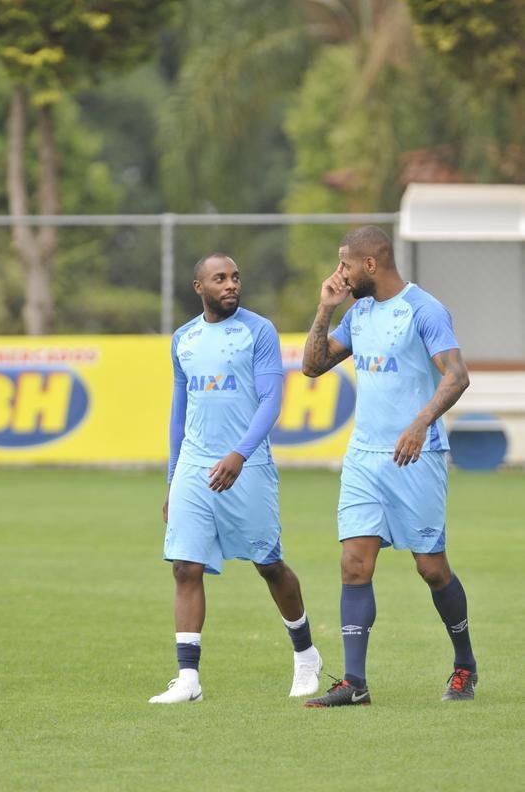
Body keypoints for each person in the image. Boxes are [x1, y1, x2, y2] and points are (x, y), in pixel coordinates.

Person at [302, 225, 477, 707]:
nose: (340, 272)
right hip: (364, 457)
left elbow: (457, 376)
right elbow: (312, 367)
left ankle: (464, 664)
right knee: (354, 563)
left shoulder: (424, 310)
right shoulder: (358, 314)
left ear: (371, 265)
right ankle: (354, 683)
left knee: (431, 568)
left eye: (346, 264)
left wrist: (420, 423)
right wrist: (324, 308)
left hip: (416, 456)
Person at [149, 252, 321, 704]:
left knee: (269, 565)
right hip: (193, 466)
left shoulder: (258, 331)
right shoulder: (183, 338)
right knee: (185, 566)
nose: (231, 285)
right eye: (219, 278)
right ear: (198, 287)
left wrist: (240, 455)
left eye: (236, 277)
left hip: (248, 466)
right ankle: (188, 680)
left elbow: (270, 400)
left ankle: (306, 655)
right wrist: (173, 477)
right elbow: (179, 412)